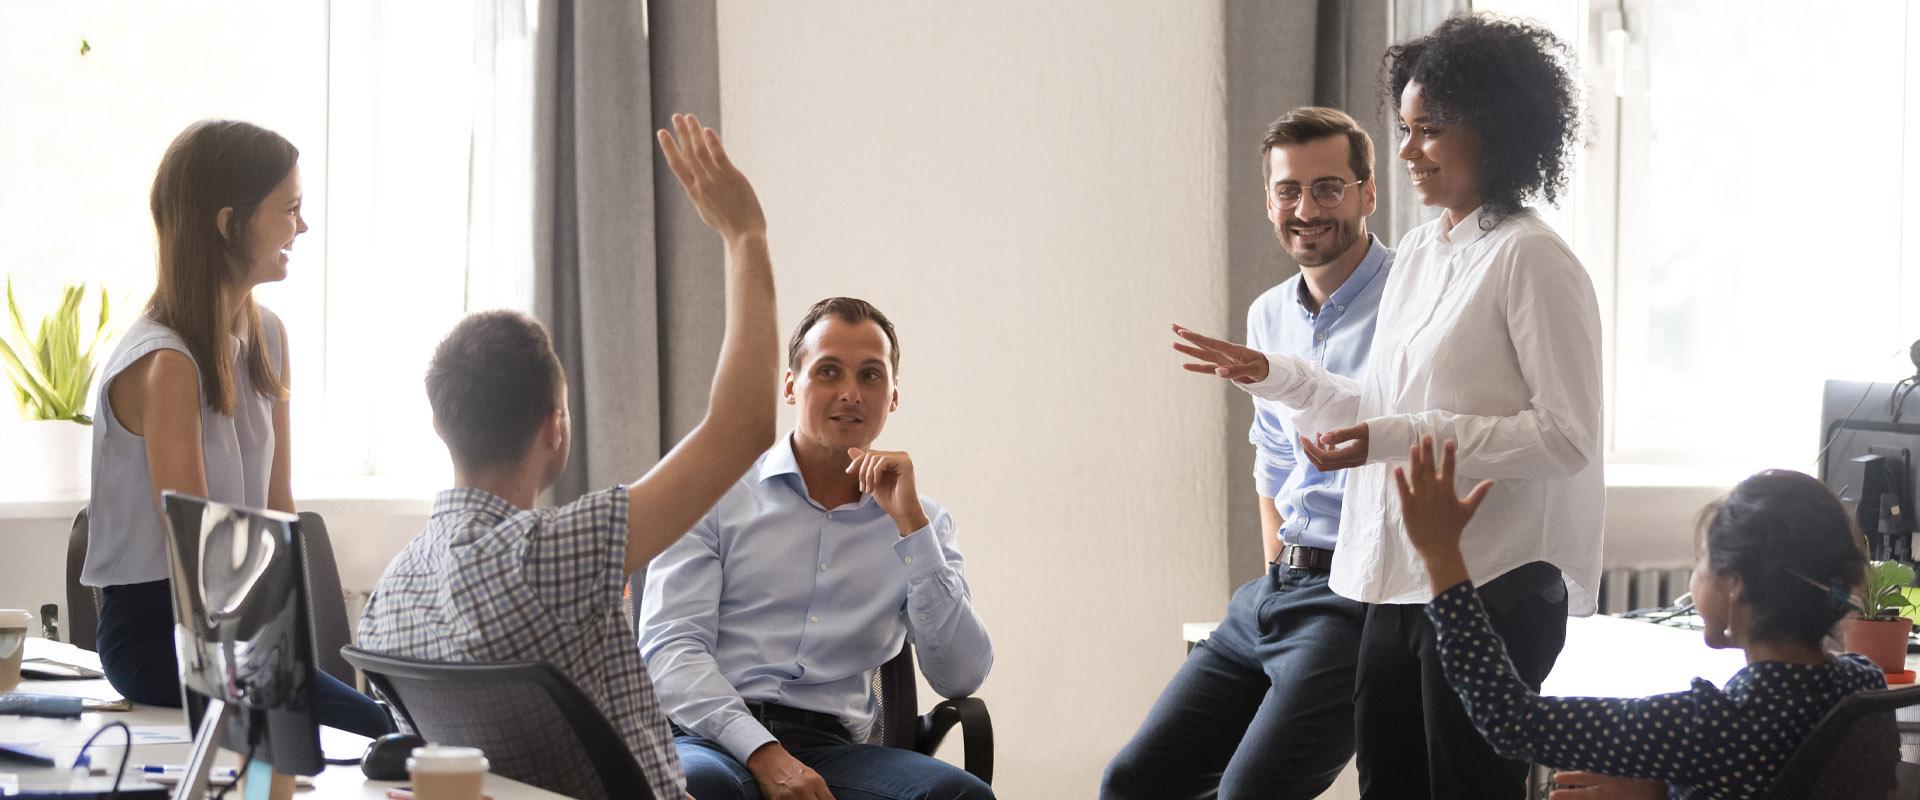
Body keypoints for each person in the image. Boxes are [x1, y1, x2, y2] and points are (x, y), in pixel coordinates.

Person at [1173, 14, 1604, 798]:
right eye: (1404, 130)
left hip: (1496, 584)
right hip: (1396, 580)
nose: (1406, 152)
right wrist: (1276, 374)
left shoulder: (1533, 259)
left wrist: (1399, 434)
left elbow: (1565, 437)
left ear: (1496, 131)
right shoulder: (1427, 254)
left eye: (1429, 131)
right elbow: (1377, 404)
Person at [356, 114, 778, 800]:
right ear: (554, 429)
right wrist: (745, 236)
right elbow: (745, 429)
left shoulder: (389, 599)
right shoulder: (552, 551)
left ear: (440, 426)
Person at [1103, 107, 1392, 800]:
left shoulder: (1413, 300)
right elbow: (1273, 462)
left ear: (1367, 193)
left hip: (1358, 598)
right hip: (1275, 592)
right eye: (1288, 190)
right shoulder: (1268, 314)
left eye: (1328, 187)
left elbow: (1394, 427)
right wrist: (1276, 572)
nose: (1306, 208)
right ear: (1269, 201)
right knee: (1134, 783)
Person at [83, 119, 388, 736]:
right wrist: (283, 669)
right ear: (228, 224)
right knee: (378, 734)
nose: (302, 227)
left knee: (381, 729)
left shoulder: (268, 336)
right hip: (158, 634)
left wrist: (294, 652)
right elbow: (203, 559)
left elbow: (279, 511)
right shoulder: (165, 364)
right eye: (290, 210)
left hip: (238, 629)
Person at [639, 297, 994, 800]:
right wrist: (765, 755)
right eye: (828, 371)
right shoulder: (715, 494)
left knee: (961, 797)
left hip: (836, 751)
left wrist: (912, 529)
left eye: (870, 376)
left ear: (893, 397)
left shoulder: (923, 520)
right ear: (791, 385)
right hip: (709, 737)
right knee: (697, 787)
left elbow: (961, 674)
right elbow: (672, 649)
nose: (850, 393)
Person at [1394, 436, 1884, 800]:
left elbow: (1513, 722)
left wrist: (1443, 562)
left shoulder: (1711, 725)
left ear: (1734, 584)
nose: (1693, 583)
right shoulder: (1863, 687)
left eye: (1701, 562)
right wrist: (1666, 791)